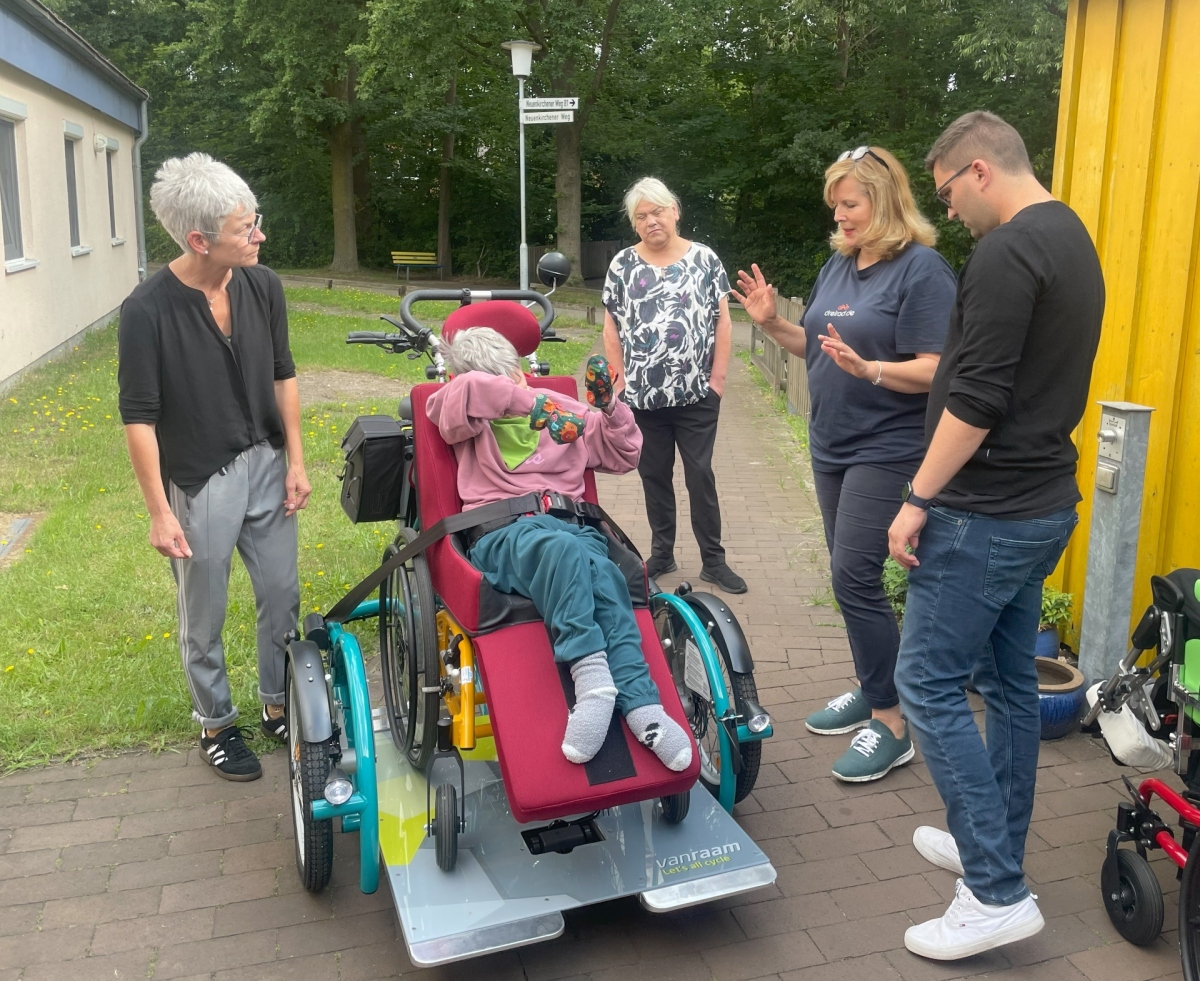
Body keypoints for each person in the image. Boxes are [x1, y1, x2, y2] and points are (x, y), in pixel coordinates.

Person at [887, 112, 1104, 959]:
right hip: (1042, 501)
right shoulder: (1070, 234)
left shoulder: (1009, 250)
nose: (947, 212)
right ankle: (995, 841)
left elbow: (975, 400)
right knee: (1007, 680)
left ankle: (994, 888)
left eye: (946, 193)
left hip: (986, 511)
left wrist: (915, 497)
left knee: (928, 680)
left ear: (980, 170)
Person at [733, 146, 956, 782]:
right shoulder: (841, 262)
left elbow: (940, 368)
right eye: (835, 204)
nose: (840, 214)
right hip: (829, 442)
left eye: (850, 203)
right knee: (848, 575)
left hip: (889, 446)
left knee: (853, 575)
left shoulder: (922, 271)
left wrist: (874, 369)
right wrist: (773, 323)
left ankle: (891, 720)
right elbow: (818, 347)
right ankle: (873, 684)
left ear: (884, 201)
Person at [118, 153, 309, 782]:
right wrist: (157, 510)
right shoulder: (147, 310)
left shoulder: (263, 285)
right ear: (199, 240)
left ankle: (280, 706)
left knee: (281, 593)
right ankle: (218, 725)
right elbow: (139, 417)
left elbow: (283, 374)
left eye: (256, 222)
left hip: (267, 463)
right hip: (201, 478)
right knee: (204, 611)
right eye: (245, 229)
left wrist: (296, 462)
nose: (259, 236)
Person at [425, 329, 693, 771]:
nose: (512, 386)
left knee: (606, 575)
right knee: (561, 552)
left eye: (514, 377)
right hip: (503, 534)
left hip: (572, 526)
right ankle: (591, 681)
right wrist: (527, 402)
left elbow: (624, 454)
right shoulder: (463, 413)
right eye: (502, 382)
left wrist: (608, 411)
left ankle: (643, 704)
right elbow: (466, 392)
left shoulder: (564, 413)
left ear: (521, 370)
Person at [601, 177, 746, 594]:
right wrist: (619, 383)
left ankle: (713, 561)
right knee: (654, 475)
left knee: (700, 474)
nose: (651, 221)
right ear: (635, 223)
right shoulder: (623, 265)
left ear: (675, 211)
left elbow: (723, 321)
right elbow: (612, 325)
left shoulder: (704, 260)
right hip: (643, 399)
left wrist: (717, 381)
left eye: (658, 212)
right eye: (642, 216)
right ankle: (661, 552)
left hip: (697, 395)